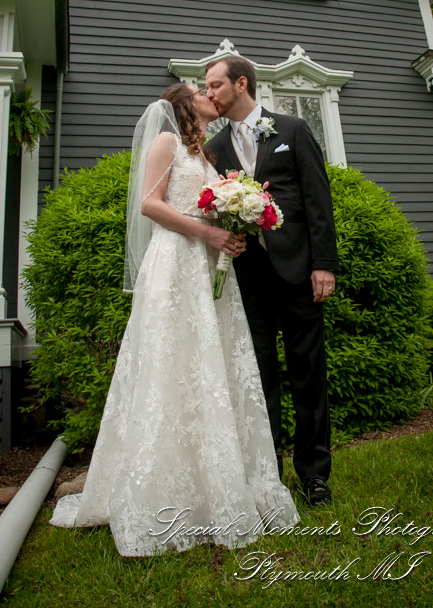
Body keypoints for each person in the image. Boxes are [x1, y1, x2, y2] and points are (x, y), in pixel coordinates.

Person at [50, 83, 299, 556]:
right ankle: (163, 496)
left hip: (206, 265)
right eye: (202, 91)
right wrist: (208, 231)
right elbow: (150, 203)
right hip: (174, 263)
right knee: (173, 369)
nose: (211, 95)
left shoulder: (204, 153)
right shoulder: (165, 140)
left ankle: (214, 488)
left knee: (208, 368)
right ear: (185, 104)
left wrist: (233, 226)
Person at [206, 56, 339, 506]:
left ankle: (315, 474)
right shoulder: (216, 145)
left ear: (241, 83)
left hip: (300, 268)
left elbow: (317, 199)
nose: (210, 94)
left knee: (307, 371)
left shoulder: (293, 129)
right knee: (259, 376)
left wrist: (324, 264)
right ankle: (270, 475)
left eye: (215, 86)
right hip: (249, 277)